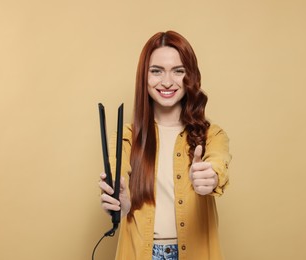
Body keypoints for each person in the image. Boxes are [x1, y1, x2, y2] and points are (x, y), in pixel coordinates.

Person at [99, 30, 232, 260]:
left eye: (178, 71)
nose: (167, 81)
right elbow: (117, 170)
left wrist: (210, 177)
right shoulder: (126, 137)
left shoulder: (213, 135)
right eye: (156, 71)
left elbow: (218, 162)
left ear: (190, 76)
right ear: (144, 77)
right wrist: (120, 200)